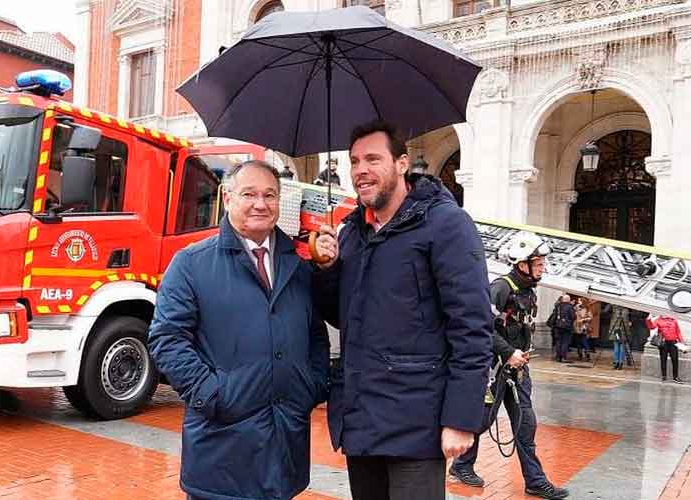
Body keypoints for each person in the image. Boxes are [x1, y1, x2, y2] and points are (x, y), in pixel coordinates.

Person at [311, 120, 493, 500]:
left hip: (417, 424)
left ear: (401, 163)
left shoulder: (446, 224)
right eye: (355, 161)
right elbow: (338, 315)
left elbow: (472, 327)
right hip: (361, 418)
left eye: (373, 159)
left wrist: (460, 419)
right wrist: (326, 269)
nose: (361, 170)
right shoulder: (352, 233)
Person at [148, 160, 330, 500]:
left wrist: (312, 384)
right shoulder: (191, 264)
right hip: (221, 454)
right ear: (228, 198)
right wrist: (213, 394)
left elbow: (315, 335)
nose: (260, 204)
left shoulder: (298, 268)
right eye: (249, 194)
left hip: (284, 449)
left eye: (270, 195)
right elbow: (167, 340)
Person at [450, 230, 570, 499]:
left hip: (517, 370)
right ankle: (461, 465)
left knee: (525, 424)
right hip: (493, 370)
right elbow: (481, 327)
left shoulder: (528, 291)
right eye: (538, 263)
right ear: (522, 263)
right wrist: (507, 352)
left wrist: (518, 356)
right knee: (481, 420)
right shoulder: (500, 289)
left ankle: (535, 480)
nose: (543, 268)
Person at [647, 314, 684, 383]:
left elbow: (678, 332)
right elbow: (651, 327)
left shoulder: (674, 320)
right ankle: (664, 376)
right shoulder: (658, 320)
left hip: (673, 342)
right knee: (663, 359)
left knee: (675, 359)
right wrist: (648, 320)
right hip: (663, 343)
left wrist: (682, 342)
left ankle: (675, 377)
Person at [608, 304, 632, 370]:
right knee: (622, 347)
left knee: (617, 346)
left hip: (616, 331)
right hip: (624, 331)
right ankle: (620, 363)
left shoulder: (615, 310)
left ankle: (616, 362)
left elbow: (606, 310)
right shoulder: (626, 310)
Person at [553, 295, 575, 363]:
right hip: (566, 327)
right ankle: (563, 357)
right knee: (565, 342)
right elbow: (573, 317)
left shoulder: (558, 306)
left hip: (557, 326)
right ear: (568, 300)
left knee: (558, 341)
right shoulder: (570, 307)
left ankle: (558, 356)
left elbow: (555, 315)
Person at [573, 298, 593, 362]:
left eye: (579, 300)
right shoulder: (576, 308)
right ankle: (580, 354)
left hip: (583, 327)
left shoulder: (587, 309)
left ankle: (587, 355)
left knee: (584, 341)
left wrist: (584, 320)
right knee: (578, 341)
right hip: (577, 327)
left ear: (582, 302)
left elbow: (590, 317)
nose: (578, 302)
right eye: (578, 300)